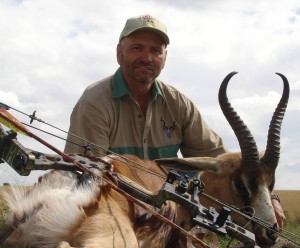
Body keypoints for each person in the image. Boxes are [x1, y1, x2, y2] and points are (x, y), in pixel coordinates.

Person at [64, 14, 285, 227]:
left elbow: (223, 161)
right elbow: (86, 175)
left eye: (155, 50)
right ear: (119, 54)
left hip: (166, 209)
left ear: (164, 58)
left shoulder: (177, 103)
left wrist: (269, 197)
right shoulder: (95, 102)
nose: (146, 58)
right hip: (116, 206)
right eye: (137, 48)